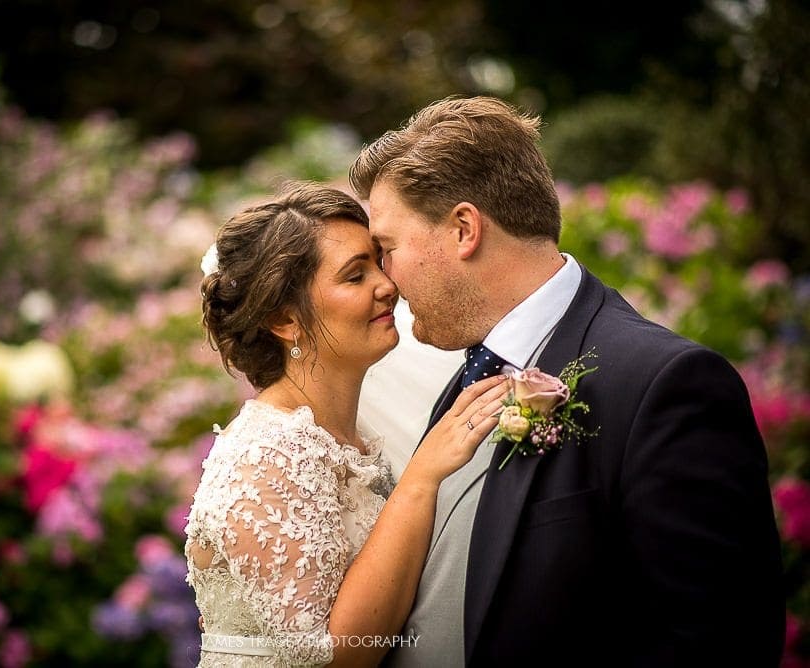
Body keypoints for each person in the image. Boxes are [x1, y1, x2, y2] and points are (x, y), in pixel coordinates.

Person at [348, 95, 785, 667]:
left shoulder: (663, 385)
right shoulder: (471, 374)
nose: (384, 278)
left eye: (387, 249)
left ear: (462, 230)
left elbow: (720, 640)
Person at [184, 182, 509, 666]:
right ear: (284, 320)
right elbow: (333, 656)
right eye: (356, 276)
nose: (387, 285)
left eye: (379, 262)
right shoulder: (265, 455)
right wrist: (420, 480)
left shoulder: (356, 441)